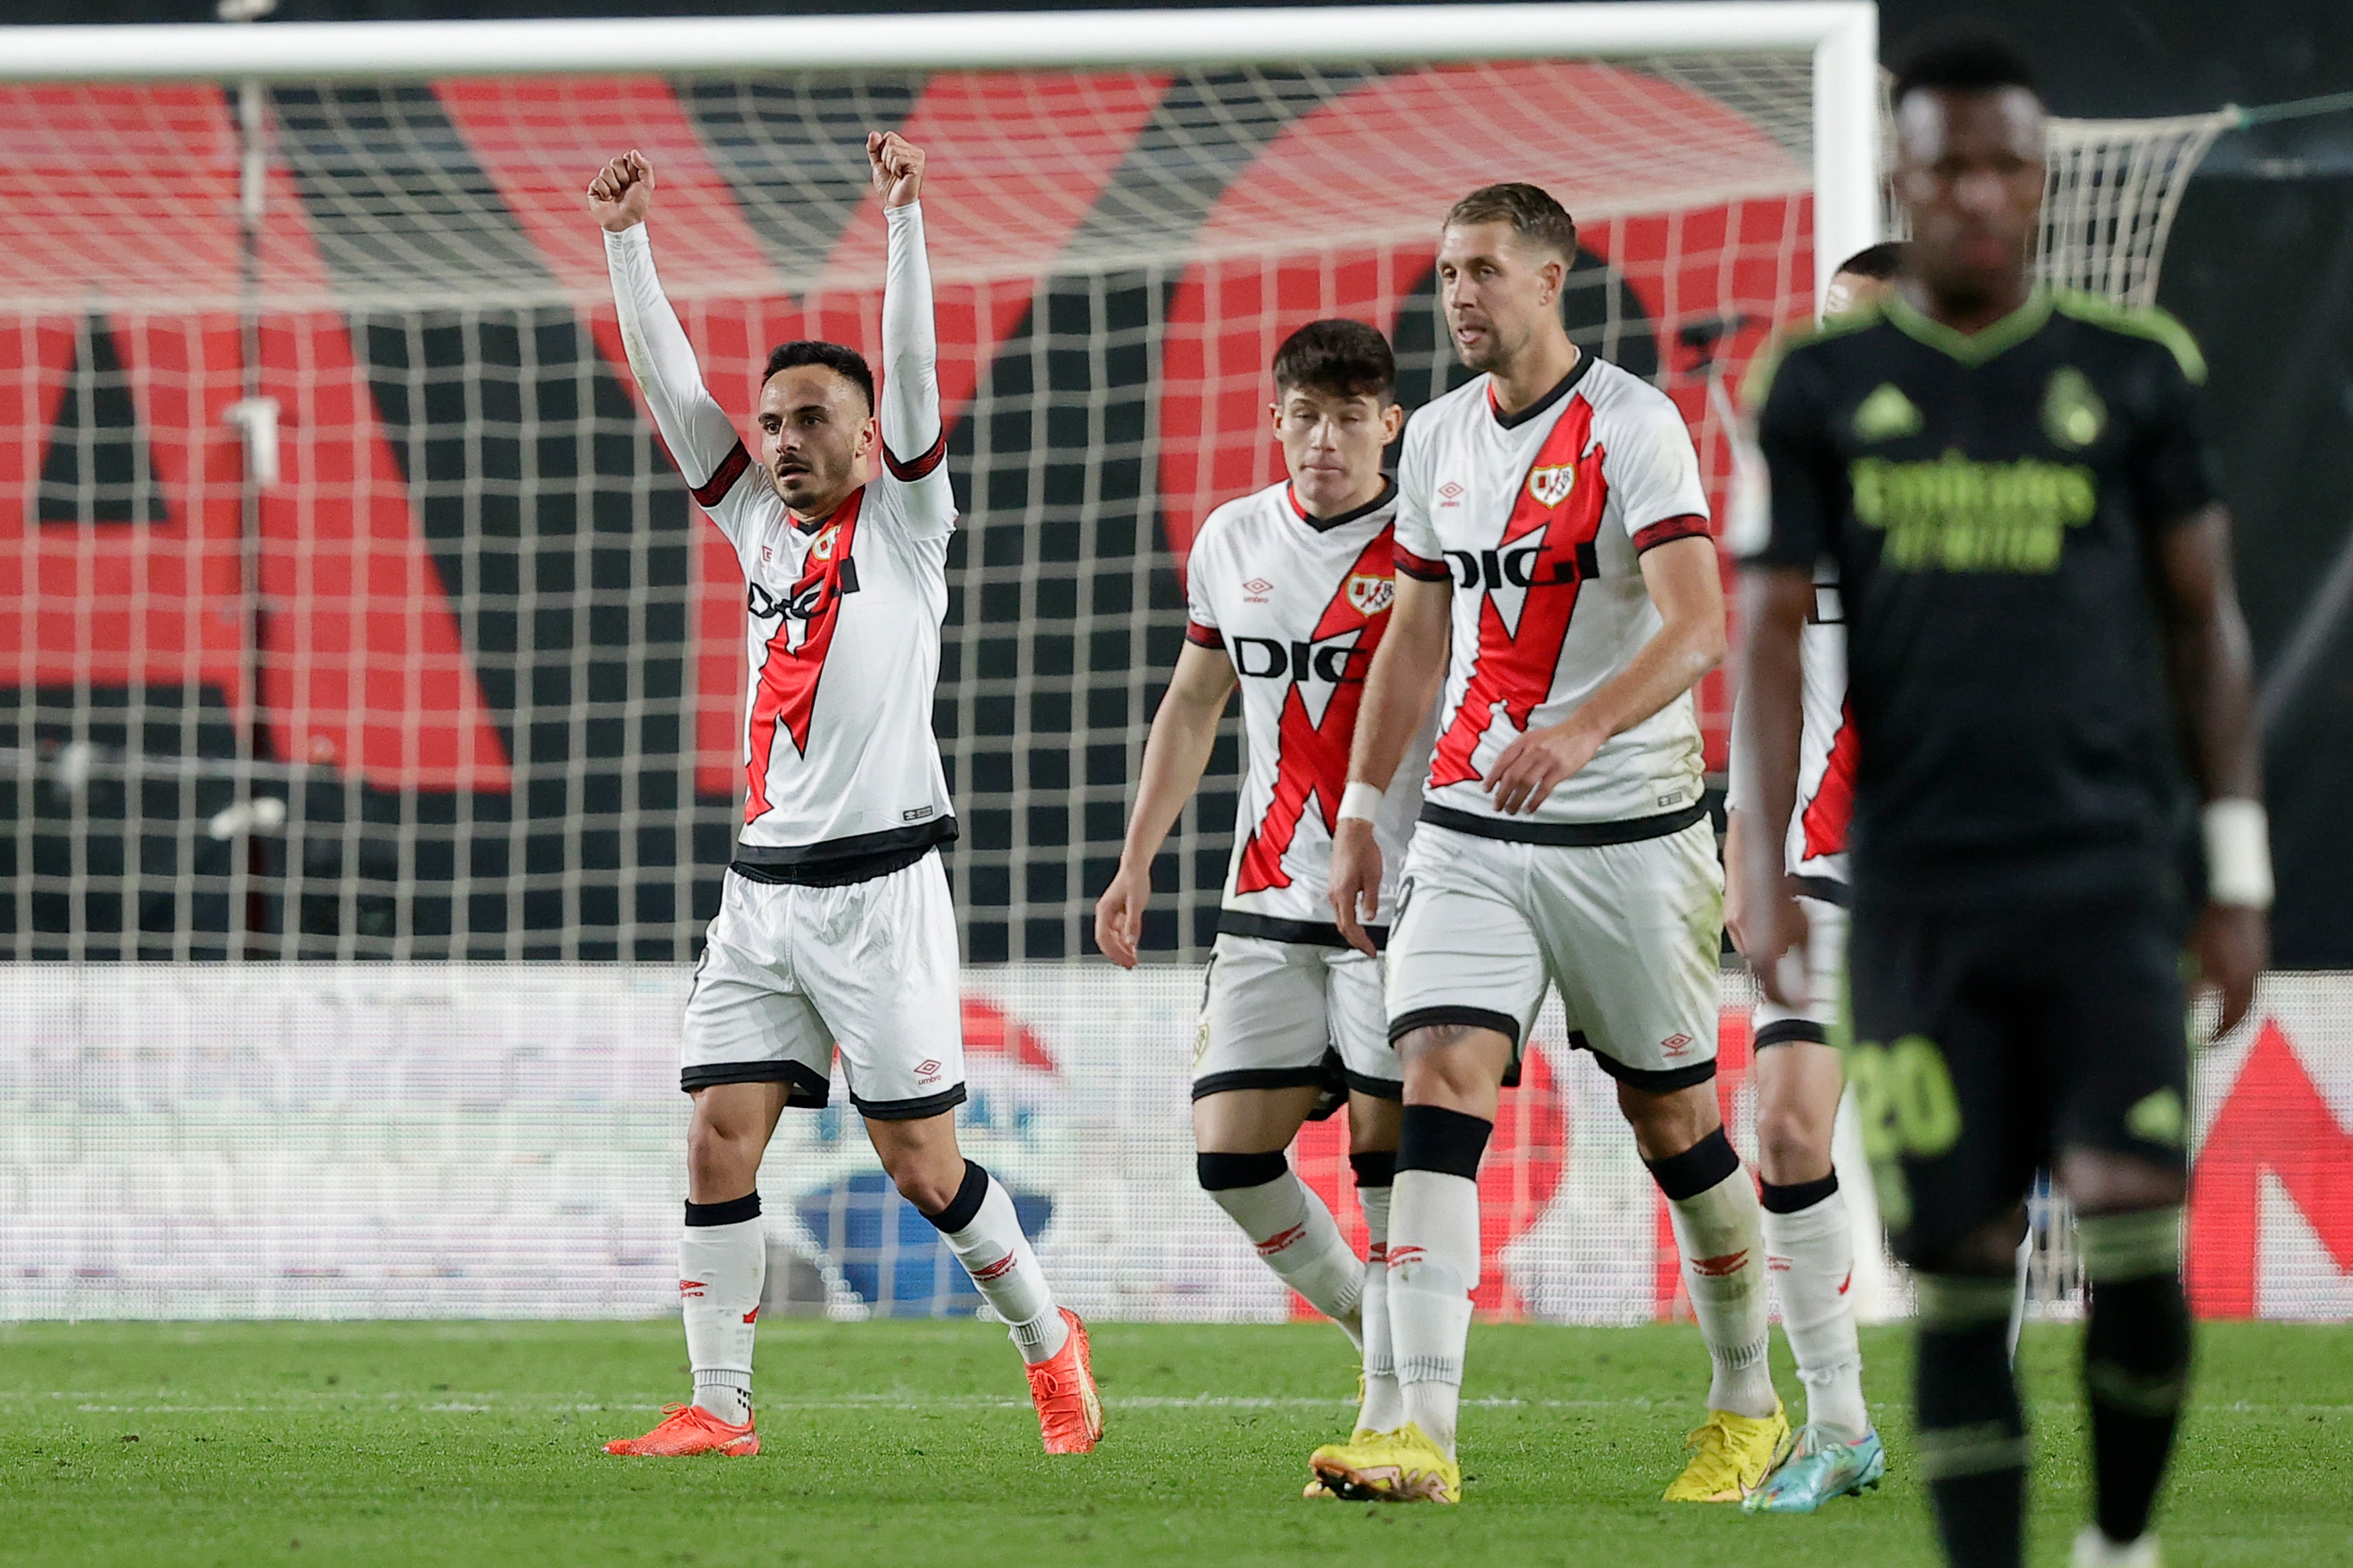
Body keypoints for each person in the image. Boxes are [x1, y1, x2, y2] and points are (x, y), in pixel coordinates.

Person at [1736, 34, 2265, 1568]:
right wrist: (1762, 866)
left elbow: (2204, 625)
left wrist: (2232, 869)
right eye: (1941, 166)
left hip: (2108, 884)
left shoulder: (2131, 371)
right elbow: (1769, 632)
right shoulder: (1822, 386)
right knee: (1960, 1270)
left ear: (2038, 183)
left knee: (2132, 1240)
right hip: (1912, 901)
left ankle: (2116, 1536)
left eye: (1999, 166)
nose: (1972, 192)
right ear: (1901, 177)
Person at [587, 134, 1102, 1460]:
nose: (784, 441)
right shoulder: (755, 523)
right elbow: (670, 388)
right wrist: (627, 243)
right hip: (760, 889)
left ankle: (1049, 1342)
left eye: (813, 419)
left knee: (924, 1171)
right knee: (716, 1140)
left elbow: (919, 375)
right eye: (772, 424)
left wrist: (905, 221)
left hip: (881, 892)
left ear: (872, 439)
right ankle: (720, 1404)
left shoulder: (907, 528)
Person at [1313, 182, 1786, 1505]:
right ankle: (1421, 1435)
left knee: (1673, 1120)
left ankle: (1746, 1399)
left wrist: (1577, 731)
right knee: (1438, 1072)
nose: (1454, 295)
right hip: (1468, 820)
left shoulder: (1634, 425)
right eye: (1443, 273)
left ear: (1548, 278)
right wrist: (1363, 808)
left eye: (1479, 270)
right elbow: (1412, 635)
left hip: (1628, 830)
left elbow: (1697, 623)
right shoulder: (1438, 438)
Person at [1096, 319, 1426, 1493]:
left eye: (1348, 415)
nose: (1322, 438)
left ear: (1389, 422)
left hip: (1402, 901)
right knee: (1230, 1158)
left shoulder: (1427, 537)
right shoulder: (1234, 535)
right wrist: (1136, 859)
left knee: (1392, 1169)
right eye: (1303, 414)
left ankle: (1397, 1416)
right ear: (1272, 419)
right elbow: (1192, 704)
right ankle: (1379, 1347)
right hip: (1262, 898)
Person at [1721, 241, 1905, 1515]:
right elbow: (1758, 688)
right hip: (1822, 872)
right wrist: (1748, 854)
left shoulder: (2012, 488)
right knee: (1781, 1123)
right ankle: (1836, 1422)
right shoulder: (1790, 491)